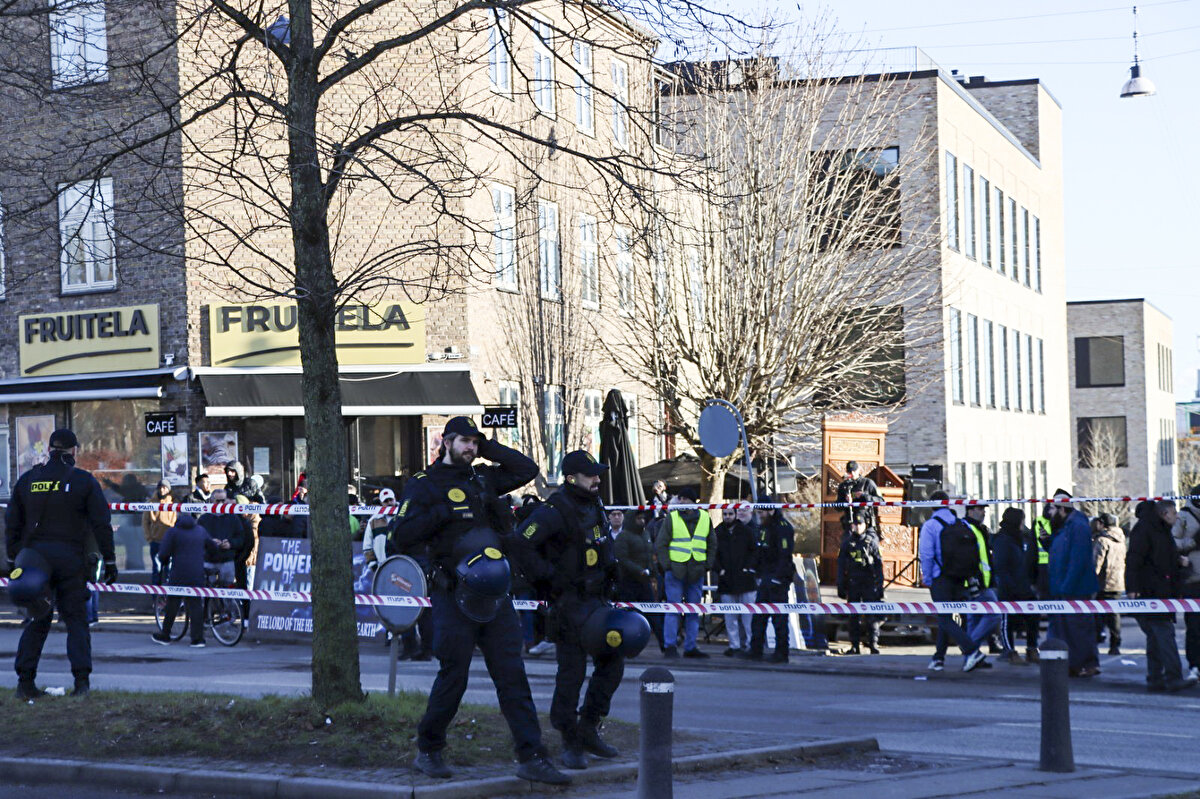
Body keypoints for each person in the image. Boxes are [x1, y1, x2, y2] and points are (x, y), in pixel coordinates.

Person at [389, 416, 567, 785]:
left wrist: (487, 447)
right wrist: (441, 514)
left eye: (474, 442)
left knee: (512, 675)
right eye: (464, 442)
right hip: (454, 595)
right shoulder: (425, 484)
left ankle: (532, 756)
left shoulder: (483, 477)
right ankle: (429, 748)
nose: (470, 448)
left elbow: (526, 468)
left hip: (495, 596)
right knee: (454, 676)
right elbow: (399, 535)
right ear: (446, 441)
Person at [516, 450, 623, 771]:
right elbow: (522, 544)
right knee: (572, 674)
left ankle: (590, 726)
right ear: (571, 477)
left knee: (613, 661)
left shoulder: (594, 504)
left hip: (598, 601)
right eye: (591, 475)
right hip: (569, 605)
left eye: (597, 474)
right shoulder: (555, 510)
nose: (597, 479)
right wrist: (548, 578)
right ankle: (569, 739)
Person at [5, 429, 117, 699]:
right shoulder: (83, 481)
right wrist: (110, 559)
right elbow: (102, 523)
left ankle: (25, 683)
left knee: (37, 620)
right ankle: (81, 684)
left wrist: (14, 559)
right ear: (74, 451)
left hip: (35, 560)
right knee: (76, 621)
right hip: (70, 560)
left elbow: (11, 522)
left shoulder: (29, 479)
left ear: (50, 450)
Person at [1126, 500, 1197, 692]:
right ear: (1164, 514)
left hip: (1159, 590)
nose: (1176, 517)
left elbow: (1162, 557)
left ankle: (1155, 678)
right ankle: (1173, 677)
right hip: (1152, 592)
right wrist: (1132, 588)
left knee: (1156, 638)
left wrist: (1178, 562)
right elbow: (1135, 559)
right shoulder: (1147, 531)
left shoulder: (1159, 530)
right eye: (1174, 514)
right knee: (1164, 635)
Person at [918, 492, 987, 673]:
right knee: (946, 618)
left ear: (932, 506)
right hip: (960, 577)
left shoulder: (931, 526)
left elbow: (926, 555)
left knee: (944, 617)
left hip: (940, 578)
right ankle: (938, 658)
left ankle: (972, 651)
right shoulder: (961, 523)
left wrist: (927, 578)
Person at [654, 486, 715, 659]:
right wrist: (667, 566)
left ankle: (690, 647)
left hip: (695, 571)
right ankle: (670, 646)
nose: (681, 502)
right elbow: (661, 544)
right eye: (680, 499)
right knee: (673, 610)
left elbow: (712, 543)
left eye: (685, 499)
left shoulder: (704, 518)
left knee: (693, 611)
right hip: (675, 571)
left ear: (693, 502)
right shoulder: (671, 518)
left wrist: (706, 565)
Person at [1045, 490, 1101, 678]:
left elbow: (1078, 560)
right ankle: (1071, 664)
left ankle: (1087, 663)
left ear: (1062, 508)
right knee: (1065, 630)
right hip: (1063, 589)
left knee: (1079, 629)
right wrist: (1046, 541)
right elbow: (1060, 552)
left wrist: (1066, 587)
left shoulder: (1077, 526)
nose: (1049, 513)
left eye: (1052, 509)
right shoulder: (1065, 527)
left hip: (1075, 590)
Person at [152, 513, 227, 647]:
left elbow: (164, 553)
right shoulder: (200, 530)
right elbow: (213, 547)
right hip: (196, 573)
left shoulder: (173, 532)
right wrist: (208, 556)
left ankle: (165, 635)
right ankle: (197, 639)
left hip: (178, 574)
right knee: (196, 605)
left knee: (172, 604)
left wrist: (163, 562)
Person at [746, 499, 795, 663]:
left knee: (779, 618)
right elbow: (760, 551)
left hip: (778, 579)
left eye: (761, 513)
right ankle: (755, 650)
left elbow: (784, 555)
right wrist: (753, 569)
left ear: (771, 511)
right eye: (757, 513)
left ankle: (782, 653)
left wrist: (777, 578)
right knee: (759, 617)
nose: (758, 516)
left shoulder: (782, 528)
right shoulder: (763, 527)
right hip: (765, 576)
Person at [993, 507, 1039, 662]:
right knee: (1008, 622)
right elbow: (1001, 567)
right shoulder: (1003, 540)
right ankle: (1009, 651)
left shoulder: (1022, 538)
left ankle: (1032, 648)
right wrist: (1011, 587)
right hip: (1009, 590)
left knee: (1033, 618)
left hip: (1024, 587)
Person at [612, 507, 661, 652]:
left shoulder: (645, 534)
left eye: (643, 519)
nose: (642, 521)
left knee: (653, 613)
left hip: (644, 581)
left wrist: (653, 571)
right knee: (626, 615)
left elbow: (650, 554)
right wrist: (639, 570)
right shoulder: (623, 537)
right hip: (628, 582)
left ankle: (665, 645)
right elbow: (622, 559)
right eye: (639, 519)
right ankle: (622, 645)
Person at [837, 510, 884, 654]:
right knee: (853, 616)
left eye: (860, 524)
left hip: (869, 583)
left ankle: (873, 644)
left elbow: (878, 565)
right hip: (853, 583)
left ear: (865, 525)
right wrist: (840, 585)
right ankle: (855, 645)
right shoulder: (847, 543)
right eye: (854, 524)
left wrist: (880, 586)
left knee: (871, 615)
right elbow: (840, 566)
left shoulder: (871, 543)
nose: (857, 527)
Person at [715, 503, 758, 657]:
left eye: (730, 514)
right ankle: (734, 645)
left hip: (746, 580)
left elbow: (755, 552)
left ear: (735, 515)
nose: (727, 517)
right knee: (730, 617)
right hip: (726, 580)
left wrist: (748, 568)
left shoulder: (747, 532)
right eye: (725, 514)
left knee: (748, 617)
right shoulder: (718, 532)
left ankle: (750, 645)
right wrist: (719, 569)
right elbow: (713, 553)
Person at [961, 503, 1003, 658]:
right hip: (975, 583)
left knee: (974, 619)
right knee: (994, 614)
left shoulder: (981, 529)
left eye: (984, 510)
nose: (983, 513)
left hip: (983, 583)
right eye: (980, 510)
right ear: (970, 511)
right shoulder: (966, 528)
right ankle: (969, 647)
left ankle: (971, 657)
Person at [1170, 486, 1200, 681]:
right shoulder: (1183, 515)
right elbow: (1172, 542)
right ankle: (1195, 665)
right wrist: (1193, 542)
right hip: (1193, 580)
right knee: (1195, 627)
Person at [197, 490, 249, 586]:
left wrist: (230, 544)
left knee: (227, 595)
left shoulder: (233, 518)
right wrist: (210, 543)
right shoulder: (203, 519)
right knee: (207, 595)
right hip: (208, 561)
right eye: (218, 501)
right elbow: (197, 539)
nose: (221, 504)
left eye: (223, 501)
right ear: (212, 501)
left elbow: (241, 538)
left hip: (227, 561)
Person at [1092, 512, 1126, 656]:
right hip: (1118, 582)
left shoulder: (1102, 540)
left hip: (1103, 583)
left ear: (1102, 524)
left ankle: (1099, 635)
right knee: (1114, 615)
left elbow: (1096, 563)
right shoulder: (1121, 539)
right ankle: (1115, 644)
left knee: (1098, 612)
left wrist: (1091, 578)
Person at [142, 480, 177, 583]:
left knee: (169, 571)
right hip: (155, 542)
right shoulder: (150, 503)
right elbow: (145, 522)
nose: (162, 490)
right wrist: (150, 538)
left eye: (165, 487)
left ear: (168, 489)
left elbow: (175, 522)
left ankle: (168, 596)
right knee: (157, 570)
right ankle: (156, 596)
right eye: (160, 487)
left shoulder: (173, 504)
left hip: (169, 543)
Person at [836, 461, 884, 531]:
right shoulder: (843, 486)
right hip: (850, 524)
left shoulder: (868, 483)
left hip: (866, 523)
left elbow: (881, 500)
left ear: (858, 470)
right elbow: (837, 507)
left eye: (854, 471)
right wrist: (846, 501)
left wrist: (864, 496)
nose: (852, 473)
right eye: (850, 472)